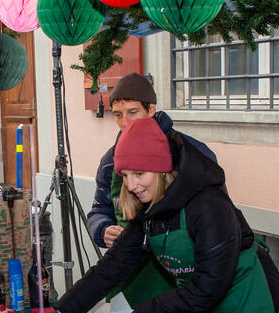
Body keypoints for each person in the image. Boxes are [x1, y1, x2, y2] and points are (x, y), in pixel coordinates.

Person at [41, 117, 279, 313]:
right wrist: (62, 311)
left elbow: (209, 286)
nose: (131, 185)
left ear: (162, 168)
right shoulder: (151, 208)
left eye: (139, 174)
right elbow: (113, 267)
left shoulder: (209, 205)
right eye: (125, 175)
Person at [86, 72, 218, 249]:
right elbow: (100, 208)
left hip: (182, 259)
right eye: (118, 115)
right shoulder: (110, 161)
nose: (125, 123)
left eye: (133, 112)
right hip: (130, 260)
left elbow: (214, 215)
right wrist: (102, 229)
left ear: (151, 109)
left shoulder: (191, 154)